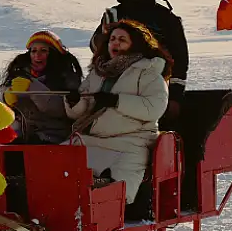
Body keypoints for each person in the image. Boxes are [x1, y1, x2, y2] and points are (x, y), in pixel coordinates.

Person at [65, 19, 170, 205]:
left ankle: (104, 194)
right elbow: (82, 110)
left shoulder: (148, 71)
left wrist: (117, 101)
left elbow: (154, 108)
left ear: (135, 44)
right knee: (55, 158)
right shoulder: (98, 72)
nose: (115, 43)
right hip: (92, 138)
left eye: (122, 39)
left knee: (118, 179)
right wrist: (75, 102)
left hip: (130, 140)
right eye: (112, 39)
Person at [90, 0, 188, 124]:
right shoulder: (114, 14)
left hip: (151, 89)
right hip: (114, 87)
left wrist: (175, 96)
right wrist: (104, 36)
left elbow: (180, 59)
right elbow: (95, 48)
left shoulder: (167, 19)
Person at [0, 29, 83, 144]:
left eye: (43, 50)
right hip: (23, 134)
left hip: (54, 138)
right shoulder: (18, 75)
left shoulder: (68, 79)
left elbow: (61, 110)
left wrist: (33, 88)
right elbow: (0, 100)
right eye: (33, 51)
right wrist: (7, 98)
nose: (37, 55)